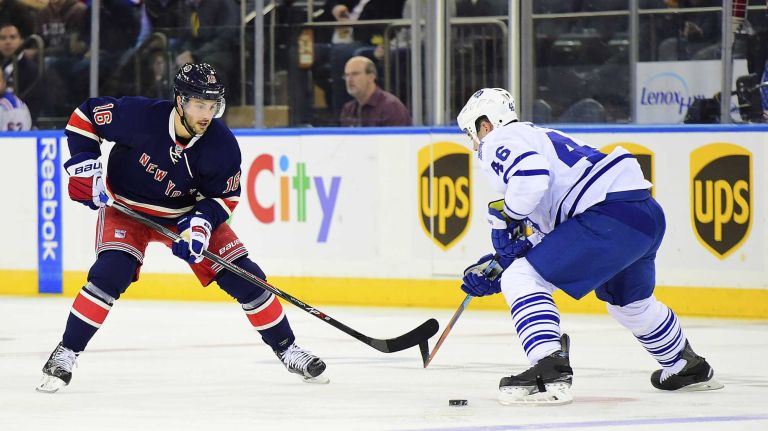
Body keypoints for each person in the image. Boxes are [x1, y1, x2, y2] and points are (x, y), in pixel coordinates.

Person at [36, 63, 328, 393]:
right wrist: (85, 167)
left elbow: (225, 196)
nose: (206, 114)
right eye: (199, 104)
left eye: (212, 105)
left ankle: (289, 350)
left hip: (184, 214)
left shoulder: (222, 146)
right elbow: (85, 116)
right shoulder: (141, 116)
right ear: (180, 101)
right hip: (127, 209)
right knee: (110, 274)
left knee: (248, 278)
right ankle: (65, 353)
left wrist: (200, 225)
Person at [456, 88, 723, 405]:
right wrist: (505, 261)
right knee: (629, 303)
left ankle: (549, 366)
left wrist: (505, 217)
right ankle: (685, 365)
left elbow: (531, 177)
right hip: (640, 214)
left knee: (523, 280)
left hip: (607, 216)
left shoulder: (499, 139)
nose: (474, 144)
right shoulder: (540, 136)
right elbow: (560, 228)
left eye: (471, 133)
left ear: (485, 124)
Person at [340, 56, 410, 127]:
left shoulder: (391, 107)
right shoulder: (348, 109)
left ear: (371, 77)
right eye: (346, 75)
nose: (349, 80)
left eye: (355, 74)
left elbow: (399, 137)